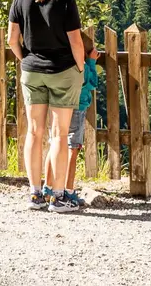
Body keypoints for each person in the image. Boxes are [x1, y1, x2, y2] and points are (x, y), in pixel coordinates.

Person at [5, 0, 86, 213]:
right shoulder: (65, 0)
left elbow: (11, 39)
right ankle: (58, 197)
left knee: (34, 131)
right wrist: (80, 68)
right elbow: (76, 41)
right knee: (59, 133)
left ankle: (35, 193)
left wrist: (26, 59)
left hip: (32, 70)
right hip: (62, 70)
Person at [62, 28, 101, 207]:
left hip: (62, 106)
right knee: (73, 147)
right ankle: (69, 189)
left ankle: (50, 187)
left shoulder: (64, 64)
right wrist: (91, 62)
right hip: (78, 108)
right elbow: (92, 83)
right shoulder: (82, 66)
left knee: (58, 143)